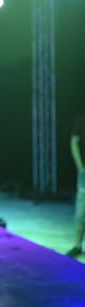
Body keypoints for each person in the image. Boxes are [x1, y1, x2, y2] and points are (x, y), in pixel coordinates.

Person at [66, 111, 85, 258]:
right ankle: (77, 246)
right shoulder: (81, 119)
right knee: (81, 211)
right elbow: (74, 142)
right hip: (84, 173)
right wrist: (80, 167)